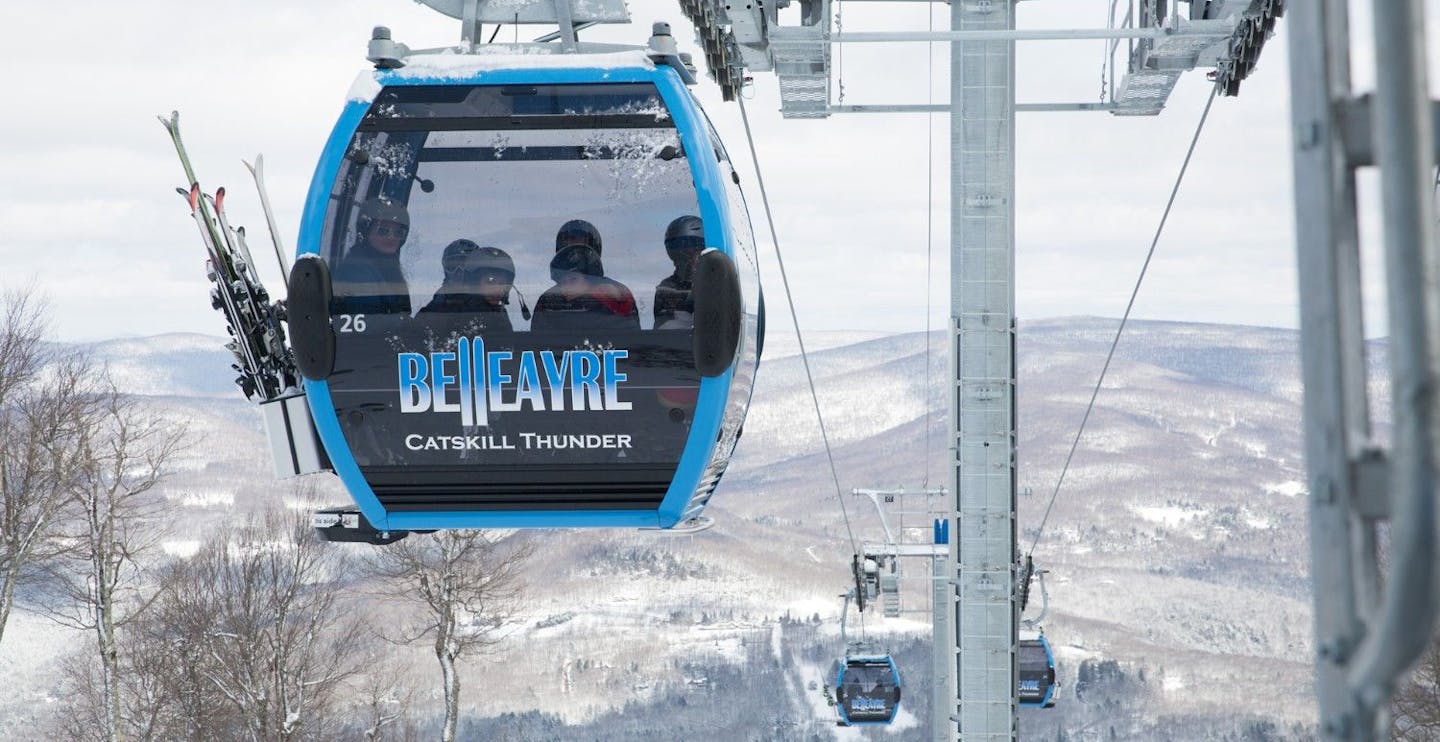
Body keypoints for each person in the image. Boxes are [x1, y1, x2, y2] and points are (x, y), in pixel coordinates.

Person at [531, 220, 640, 332]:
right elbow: (538, 342)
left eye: (579, 241)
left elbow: (632, 341)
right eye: (568, 241)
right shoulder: (550, 299)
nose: (574, 253)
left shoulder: (616, 294)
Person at [419, 240, 522, 335]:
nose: (460, 271)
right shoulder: (436, 311)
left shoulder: (496, 310)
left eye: (466, 265)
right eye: (453, 265)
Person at [332, 198, 413, 315]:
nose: (391, 237)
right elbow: (373, 323)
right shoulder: (356, 271)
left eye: (398, 233)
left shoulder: (388, 268)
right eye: (383, 231)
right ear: (366, 231)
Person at [653, 215, 705, 329]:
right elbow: (666, 329)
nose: (689, 261)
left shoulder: (718, 283)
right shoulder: (667, 288)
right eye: (681, 255)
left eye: (694, 253)